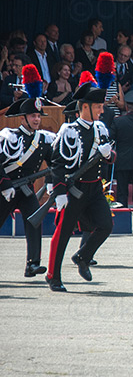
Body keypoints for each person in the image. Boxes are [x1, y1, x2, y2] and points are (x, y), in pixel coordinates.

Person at [44, 71, 116, 292]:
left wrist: (109, 155)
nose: (101, 110)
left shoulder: (100, 128)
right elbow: (57, 164)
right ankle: (53, 275)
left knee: (106, 225)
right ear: (85, 107)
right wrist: (59, 191)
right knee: (63, 233)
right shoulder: (69, 131)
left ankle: (83, 256)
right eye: (98, 107)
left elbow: (111, 156)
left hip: (94, 188)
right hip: (74, 189)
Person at [0, 64, 55, 278]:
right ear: (23, 118)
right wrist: (4, 184)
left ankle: (33, 263)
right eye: (32, 116)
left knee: (34, 221)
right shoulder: (9, 137)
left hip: (26, 189)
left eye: (38, 116)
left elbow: (54, 163)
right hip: (6, 188)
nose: (37, 119)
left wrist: (52, 182)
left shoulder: (43, 139)